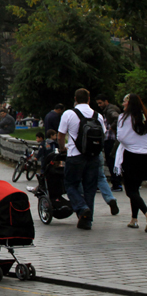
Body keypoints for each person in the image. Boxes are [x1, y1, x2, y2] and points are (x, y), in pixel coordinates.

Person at [57, 88, 105, 231]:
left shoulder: (69, 114)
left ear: (75, 99)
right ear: (89, 99)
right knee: (90, 188)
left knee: (70, 185)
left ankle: (82, 207)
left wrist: (61, 149)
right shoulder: (98, 116)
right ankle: (87, 221)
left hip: (75, 156)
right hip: (93, 157)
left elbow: (60, 135)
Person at [114, 94, 147, 230]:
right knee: (136, 188)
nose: (123, 104)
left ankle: (146, 212)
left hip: (130, 156)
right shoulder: (144, 117)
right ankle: (134, 219)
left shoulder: (124, 118)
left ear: (129, 103)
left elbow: (120, 136)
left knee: (130, 190)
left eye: (124, 101)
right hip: (145, 156)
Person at [96, 94, 122, 192]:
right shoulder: (109, 109)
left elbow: (117, 118)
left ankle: (116, 183)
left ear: (106, 101)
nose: (99, 105)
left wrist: (111, 128)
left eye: (100, 103)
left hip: (111, 139)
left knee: (111, 161)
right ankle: (116, 183)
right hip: (111, 138)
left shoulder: (110, 110)